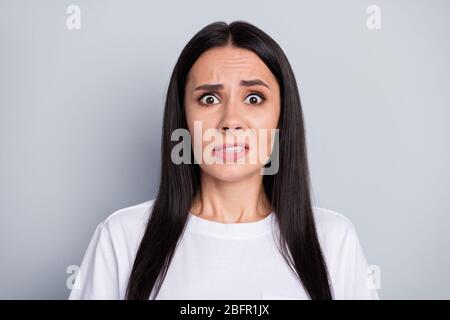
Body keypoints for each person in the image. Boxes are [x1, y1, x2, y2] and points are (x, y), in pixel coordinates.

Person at [68, 20, 380, 300]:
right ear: (184, 119)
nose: (231, 121)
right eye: (209, 99)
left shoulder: (333, 240)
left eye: (254, 98)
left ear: (282, 118)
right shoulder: (122, 237)